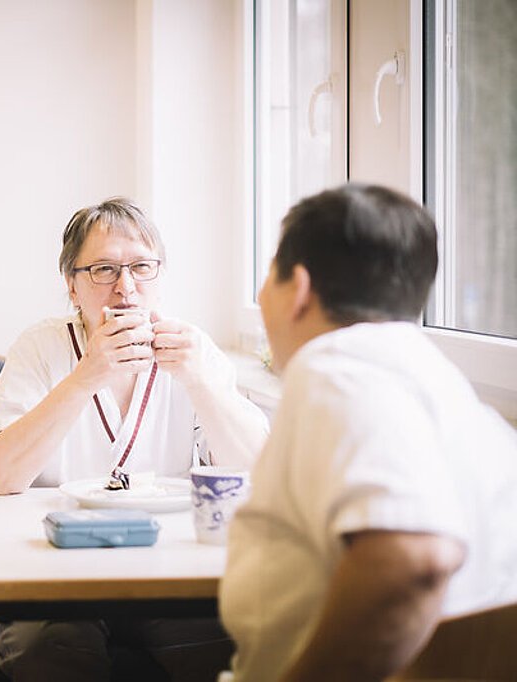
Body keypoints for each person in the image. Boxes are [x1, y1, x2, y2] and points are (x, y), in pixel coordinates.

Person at [220, 183, 517, 682]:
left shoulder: (336, 369)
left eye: (268, 276)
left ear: (299, 289)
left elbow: (414, 557)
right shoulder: (459, 402)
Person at [0, 197, 270, 681]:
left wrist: (201, 383)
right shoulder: (41, 347)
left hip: (167, 565)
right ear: (71, 284)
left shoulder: (191, 349)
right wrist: (84, 378)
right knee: (50, 647)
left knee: (229, 638)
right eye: (104, 270)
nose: (126, 287)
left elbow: (258, 471)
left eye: (141, 267)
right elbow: (2, 476)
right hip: (51, 564)